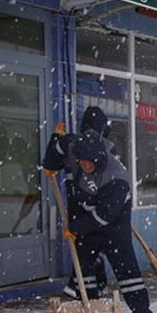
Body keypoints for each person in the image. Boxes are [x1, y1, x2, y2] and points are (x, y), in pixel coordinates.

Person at [46, 129, 157, 313]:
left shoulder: (116, 177)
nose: (85, 167)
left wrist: (76, 228)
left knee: (127, 272)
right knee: (84, 270)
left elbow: (103, 216)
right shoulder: (75, 151)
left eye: (89, 163)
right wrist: (56, 141)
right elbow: (50, 161)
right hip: (86, 221)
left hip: (113, 225)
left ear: (98, 159)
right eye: (81, 162)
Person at [42, 107, 112, 294]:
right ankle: (85, 288)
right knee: (90, 249)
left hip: (85, 205)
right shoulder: (94, 146)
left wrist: (56, 140)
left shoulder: (72, 143)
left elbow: (50, 162)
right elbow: (50, 163)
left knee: (88, 249)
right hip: (96, 205)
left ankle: (88, 287)